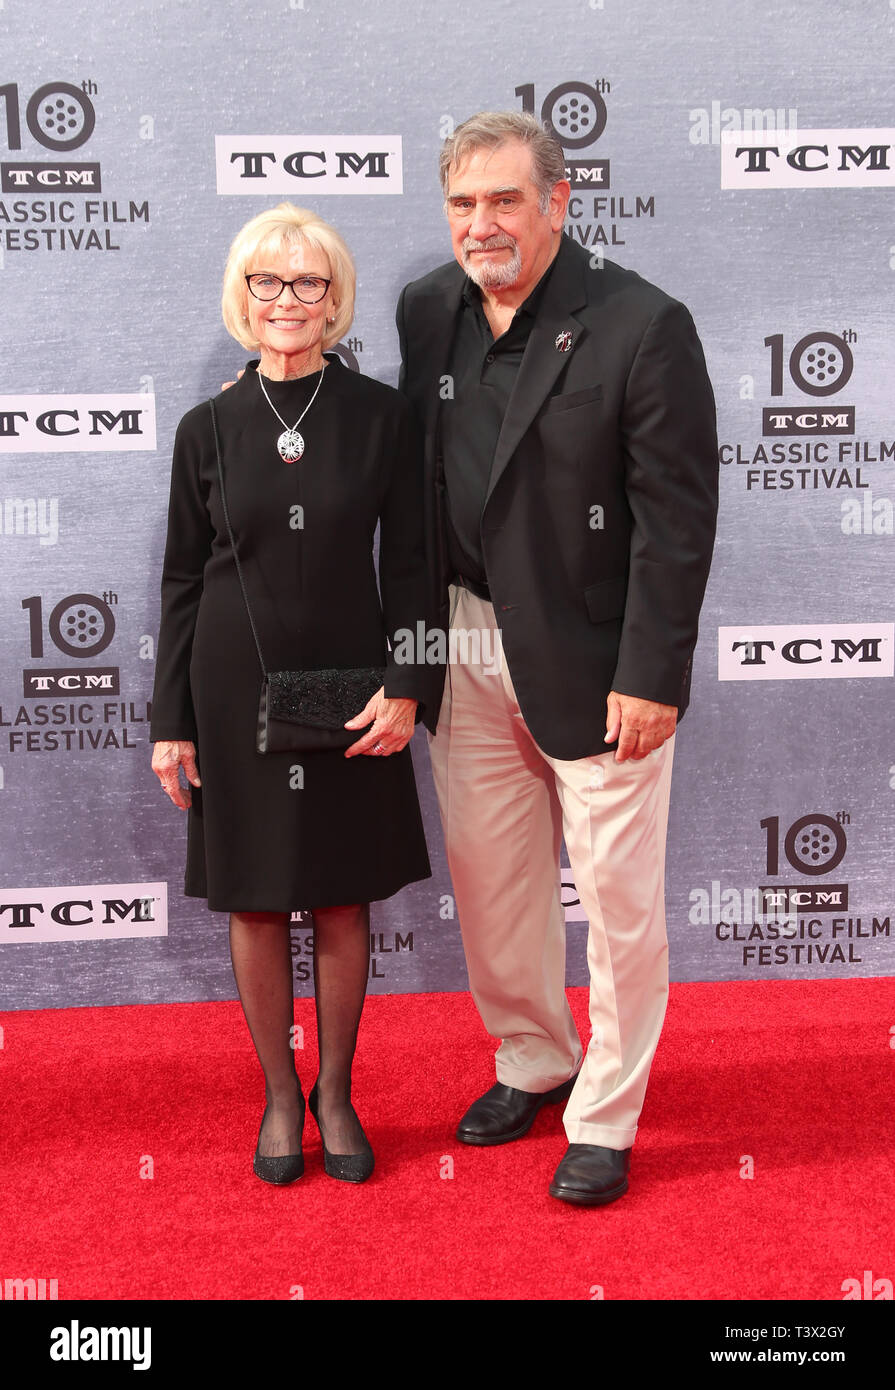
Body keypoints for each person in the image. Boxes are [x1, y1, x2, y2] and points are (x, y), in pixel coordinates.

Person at [396, 111, 719, 1206]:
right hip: (466, 635)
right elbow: (419, 488)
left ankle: (608, 1112)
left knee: (618, 903)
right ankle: (534, 1057)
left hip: (596, 657)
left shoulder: (640, 323)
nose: (481, 224)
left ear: (558, 201)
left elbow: (675, 520)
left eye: (503, 199)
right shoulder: (428, 310)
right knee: (493, 886)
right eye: (461, 203)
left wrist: (654, 671)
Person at [150, 203, 436, 1186]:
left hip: (354, 686)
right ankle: (279, 1094)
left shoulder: (381, 418)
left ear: (332, 298)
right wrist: (168, 723)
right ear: (244, 295)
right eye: (268, 282)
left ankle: (337, 1093)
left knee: (343, 898)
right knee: (259, 901)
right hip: (233, 689)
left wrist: (408, 685)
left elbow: (411, 565)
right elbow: (182, 581)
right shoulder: (208, 428)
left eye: (307, 282)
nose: (287, 300)